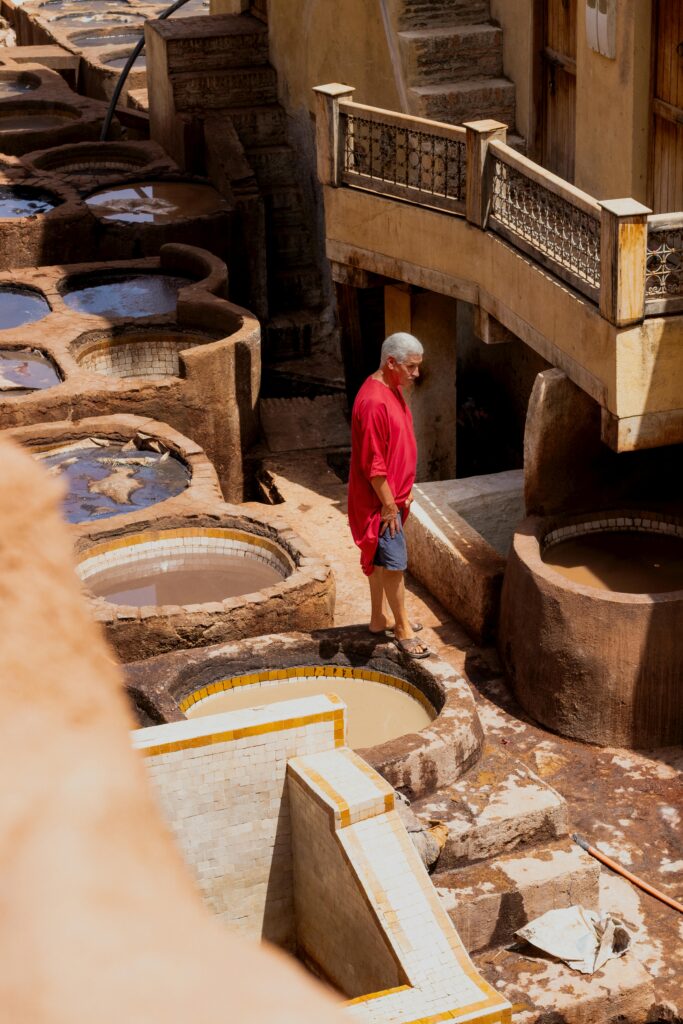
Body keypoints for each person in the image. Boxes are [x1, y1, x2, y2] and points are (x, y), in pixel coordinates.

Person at [348, 332, 431, 659]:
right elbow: (374, 465)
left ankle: (377, 618)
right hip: (380, 504)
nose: (416, 374)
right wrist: (388, 505)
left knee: (380, 561)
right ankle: (402, 628)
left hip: (391, 499)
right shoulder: (372, 402)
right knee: (394, 564)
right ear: (391, 362)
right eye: (411, 367)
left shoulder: (391, 389)